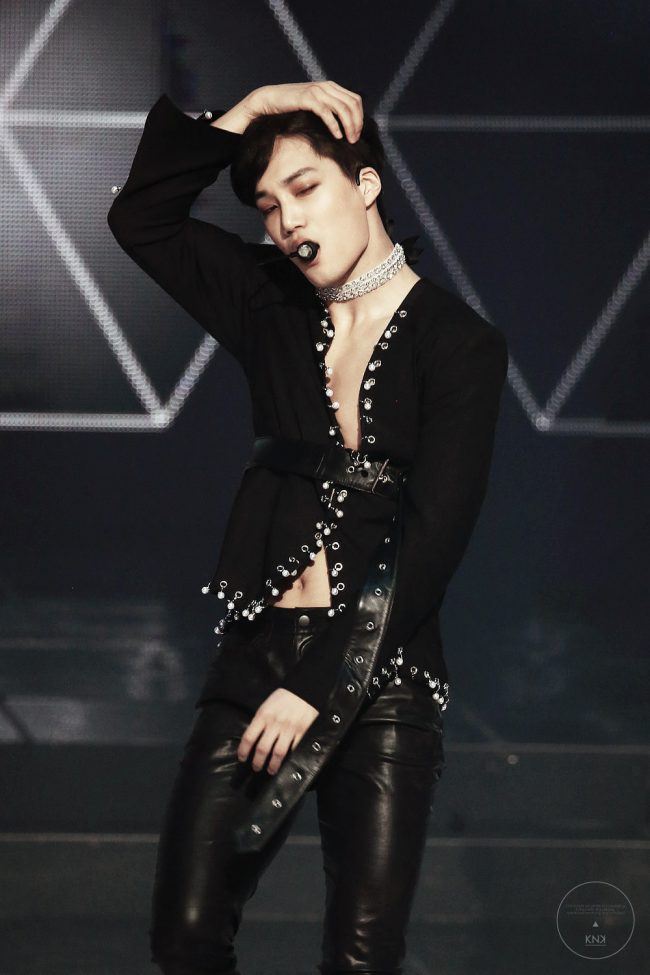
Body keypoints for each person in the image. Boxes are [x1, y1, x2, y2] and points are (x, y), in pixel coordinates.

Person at [107, 80, 509, 975]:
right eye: (266, 205)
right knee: (185, 934)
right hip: (257, 661)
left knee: (360, 958)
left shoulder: (460, 344)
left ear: (364, 184)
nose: (286, 222)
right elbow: (142, 219)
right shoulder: (268, 304)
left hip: (383, 673)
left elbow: (435, 537)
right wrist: (253, 107)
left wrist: (321, 682)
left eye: (304, 188)